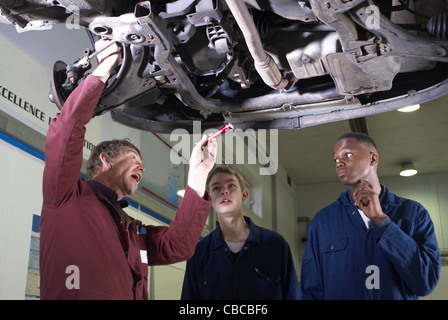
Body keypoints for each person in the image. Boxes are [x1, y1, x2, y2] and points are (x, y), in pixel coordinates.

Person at [40, 39, 218, 300]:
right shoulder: (66, 194)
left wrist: (198, 177)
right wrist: (104, 69)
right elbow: (65, 131)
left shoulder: (134, 231)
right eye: (134, 157)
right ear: (105, 160)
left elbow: (177, 246)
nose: (142, 167)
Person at [300, 132, 441, 299]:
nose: (339, 163)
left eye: (348, 154)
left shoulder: (414, 213)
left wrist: (382, 222)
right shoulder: (322, 221)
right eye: (336, 159)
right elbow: (310, 292)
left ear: (373, 159)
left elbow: (426, 282)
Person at [181, 165, 301, 299]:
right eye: (216, 188)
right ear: (209, 199)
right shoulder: (199, 253)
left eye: (231, 186)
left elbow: (293, 296)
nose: (224, 191)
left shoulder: (276, 245)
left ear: (244, 194)